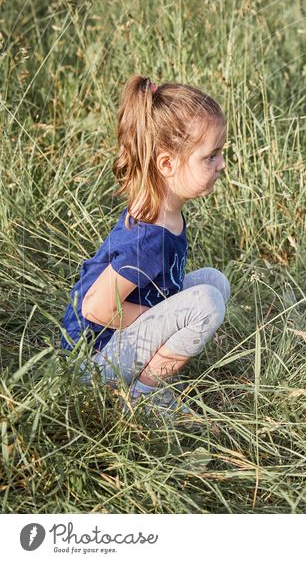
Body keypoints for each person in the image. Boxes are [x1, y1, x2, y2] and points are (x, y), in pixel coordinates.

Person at [60, 75, 230, 421]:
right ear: (166, 164)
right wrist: (165, 316)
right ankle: (145, 396)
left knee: (215, 282)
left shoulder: (165, 211)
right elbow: (95, 307)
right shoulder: (148, 239)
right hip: (91, 361)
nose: (221, 164)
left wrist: (168, 314)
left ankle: (147, 381)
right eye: (210, 156)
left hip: (118, 343)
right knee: (206, 304)